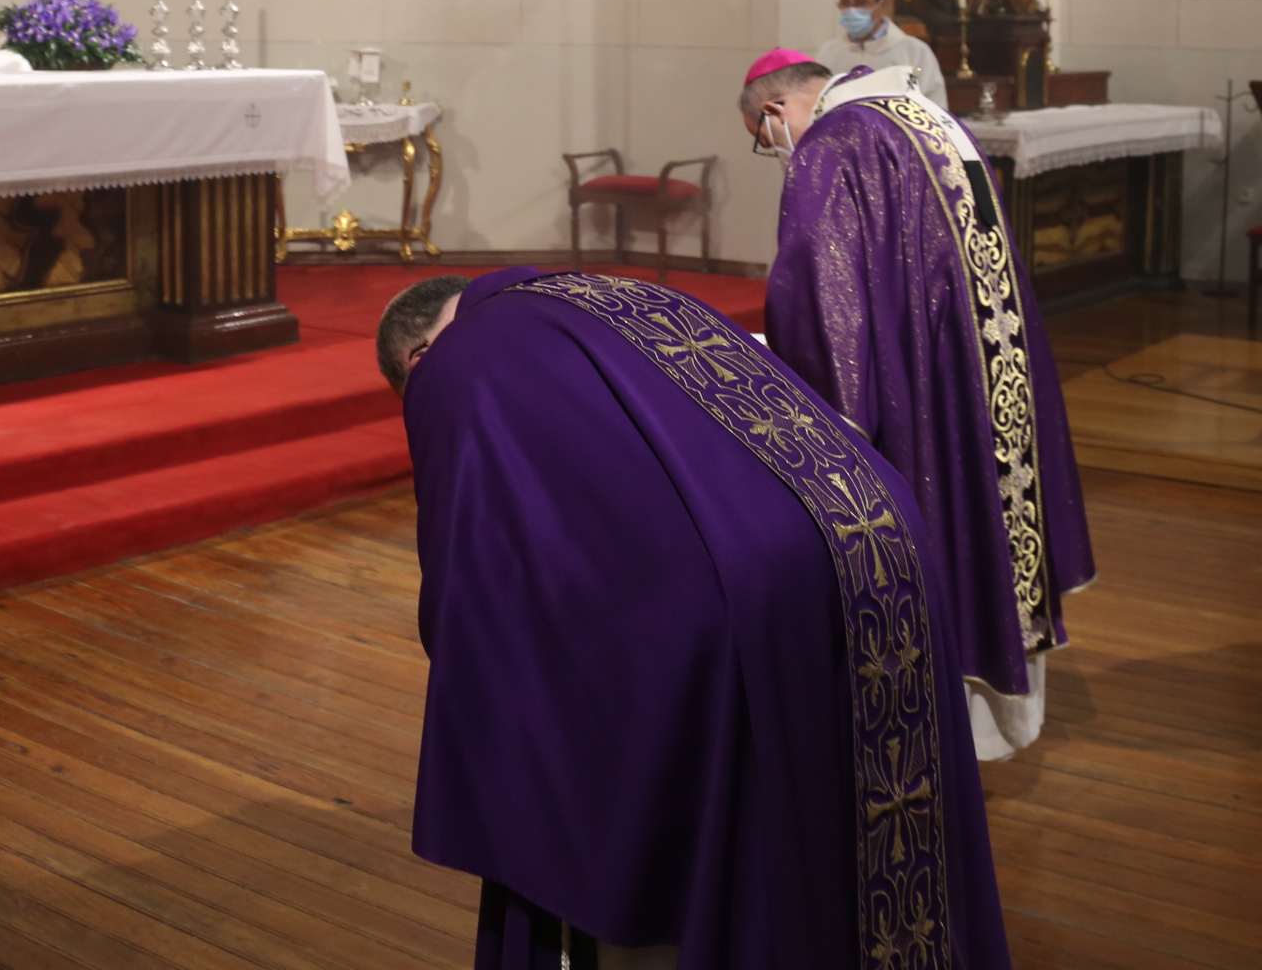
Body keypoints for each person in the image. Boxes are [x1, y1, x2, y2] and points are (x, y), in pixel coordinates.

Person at [378, 266, 1010, 970]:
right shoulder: (616, 292)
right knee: (863, 812)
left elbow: (467, 559)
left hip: (742, 588)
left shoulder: (452, 364)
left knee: (744, 825)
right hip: (880, 534)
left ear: (417, 358)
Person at [744, 46, 1094, 757]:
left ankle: (936, 723)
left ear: (776, 111)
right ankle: (1005, 713)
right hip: (984, 369)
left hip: (926, 389)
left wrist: (819, 401)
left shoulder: (833, 144)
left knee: (934, 518)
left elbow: (823, 292)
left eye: (763, 137)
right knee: (988, 519)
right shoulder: (927, 117)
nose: (775, 151)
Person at [828, 0, 946, 104]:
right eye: (845, 2)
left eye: (861, 2)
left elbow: (934, 107)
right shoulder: (829, 52)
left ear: (882, 5)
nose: (851, 10)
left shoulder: (915, 52)